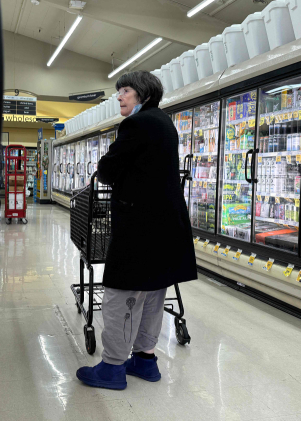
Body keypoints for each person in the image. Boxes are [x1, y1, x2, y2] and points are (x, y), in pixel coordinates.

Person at [75, 70, 197, 390]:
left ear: (142, 94)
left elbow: (109, 168)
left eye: (125, 90)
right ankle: (145, 360)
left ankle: (112, 367)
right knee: (153, 292)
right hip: (166, 227)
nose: (119, 96)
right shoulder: (164, 123)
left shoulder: (136, 124)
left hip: (140, 227)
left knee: (122, 294)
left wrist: (103, 169)